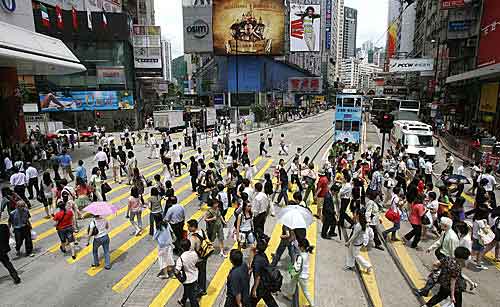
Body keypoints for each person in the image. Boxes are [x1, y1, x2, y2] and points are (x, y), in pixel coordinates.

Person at [283, 238, 315, 307]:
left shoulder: (300, 256)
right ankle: (289, 295)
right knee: (292, 283)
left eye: (299, 246)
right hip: (301, 274)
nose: (298, 247)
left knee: (306, 292)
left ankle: (312, 304)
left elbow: (297, 268)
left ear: (302, 247)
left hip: (301, 276)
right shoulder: (306, 253)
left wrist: (290, 268)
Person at [250, 239, 279, 307]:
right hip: (266, 283)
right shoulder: (263, 255)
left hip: (260, 286)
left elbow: (258, 277)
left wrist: (254, 290)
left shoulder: (257, 260)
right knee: (269, 299)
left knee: (252, 302)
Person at [176, 239, 200, 307]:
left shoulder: (181, 258)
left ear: (182, 248)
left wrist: (178, 276)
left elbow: (177, 270)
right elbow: (197, 262)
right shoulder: (194, 254)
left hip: (187, 279)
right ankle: (183, 301)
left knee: (192, 298)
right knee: (188, 291)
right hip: (195, 276)